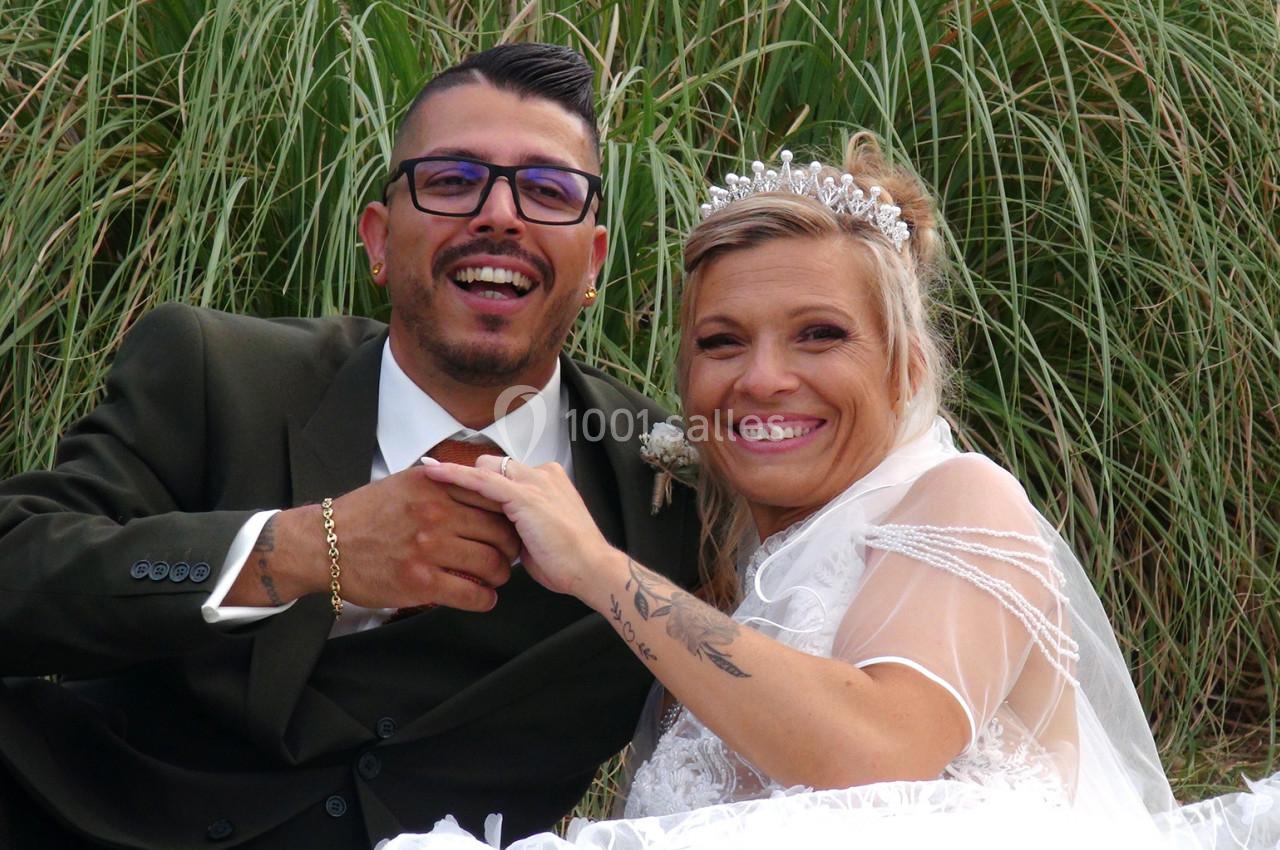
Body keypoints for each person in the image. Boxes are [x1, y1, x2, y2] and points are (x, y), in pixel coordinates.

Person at [382, 137, 1280, 849]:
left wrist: (600, 571)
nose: (764, 380)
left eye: (818, 335)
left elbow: (878, 751)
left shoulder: (960, 500)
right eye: (722, 343)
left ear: (908, 364)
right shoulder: (715, 550)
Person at [0, 43, 701, 849]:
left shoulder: (663, 487)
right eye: (451, 180)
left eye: (547, 190)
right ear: (378, 237)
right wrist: (298, 548)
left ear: (594, 263)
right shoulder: (214, 373)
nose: (499, 215)